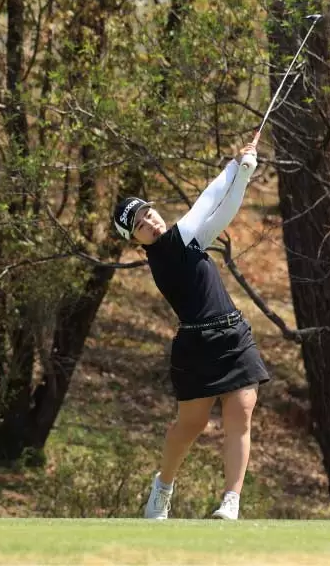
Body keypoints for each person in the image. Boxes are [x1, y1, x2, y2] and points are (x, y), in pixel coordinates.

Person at [112, 140, 270, 520]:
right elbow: (206, 203)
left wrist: (243, 174)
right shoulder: (167, 249)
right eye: (139, 225)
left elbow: (222, 214)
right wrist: (234, 167)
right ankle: (162, 488)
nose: (150, 223)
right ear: (134, 240)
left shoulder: (185, 241)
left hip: (233, 333)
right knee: (191, 424)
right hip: (197, 344)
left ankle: (231, 501)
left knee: (241, 414)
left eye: (149, 214)